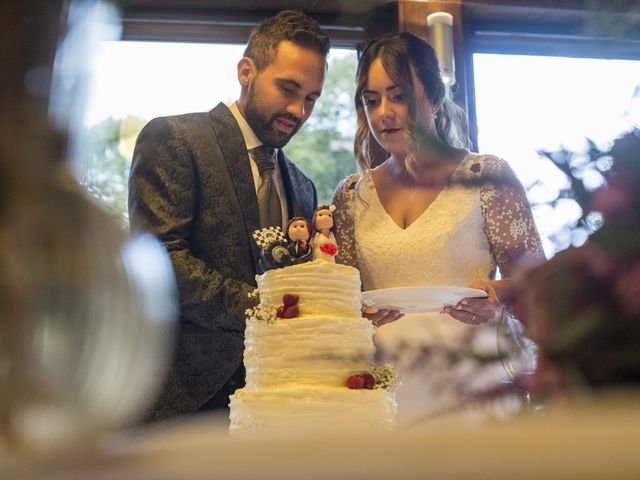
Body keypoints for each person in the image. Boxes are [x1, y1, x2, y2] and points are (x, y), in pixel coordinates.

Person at [129, 10, 330, 424]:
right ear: (246, 71)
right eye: (288, 88)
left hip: (278, 400)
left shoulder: (304, 186)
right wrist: (263, 309)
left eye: (311, 98)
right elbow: (159, 259)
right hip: (185, 398)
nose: (299, 109)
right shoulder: (175, 139)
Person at [332, 32, 545, 422]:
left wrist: (497, 295)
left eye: (398, 96)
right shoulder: (350, 196)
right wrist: (357, 314)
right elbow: (343, 301)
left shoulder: (487, 174)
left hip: (474, 378)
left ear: (432, 96)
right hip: (384, 390)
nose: (384, 112)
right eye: (371, 100)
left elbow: (537, 282)